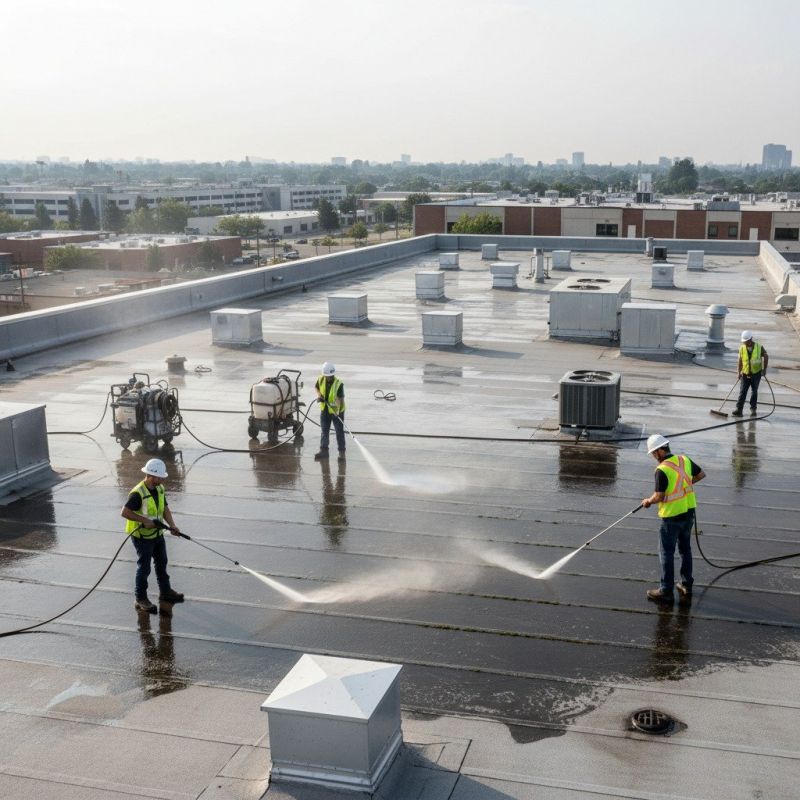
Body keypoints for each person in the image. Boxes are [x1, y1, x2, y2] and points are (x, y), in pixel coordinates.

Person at [641, 434, 706, 602]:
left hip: (671, 517)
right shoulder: (684, 460)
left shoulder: (662, 470)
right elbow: (700, 475)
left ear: (660, 451)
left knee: (666, 553)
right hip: (689, 512)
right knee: (685, 550)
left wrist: (648, 501)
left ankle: (665, 591)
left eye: (654, 453)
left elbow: (660, 496)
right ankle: (686, 584)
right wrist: (684, 487)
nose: (654, 457)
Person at [120, 458, 184, 614]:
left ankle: (165, 592)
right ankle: (140, 598)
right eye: (159, 477)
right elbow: (124, 512)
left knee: (162, 563)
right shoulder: (138, 493)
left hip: (157, 534)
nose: (161, 480)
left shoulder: (160, 488)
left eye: (162, 477)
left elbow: (164, 508)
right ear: (150, 475)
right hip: (142, 536)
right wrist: (145, 521)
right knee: (144, 568)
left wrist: (172, 526)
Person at [314, 361, 346, 461]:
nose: (328, 378)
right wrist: (319, 396)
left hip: (337, 411)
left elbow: (339, 399)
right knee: (324, 431)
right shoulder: (320, 379)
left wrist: (337, 411)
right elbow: (316, 387)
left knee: (339, 432)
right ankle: (324, 451)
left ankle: (342, 453)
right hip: (325, 410)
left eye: (330, 376)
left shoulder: (338, 384)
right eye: (327, 376)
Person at [733, 330, 768, 417]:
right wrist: (738, 371)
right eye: (744, 341)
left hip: (756, 374)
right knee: (742, 392)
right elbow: (740, 360)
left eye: (747, 341)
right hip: (745, 373)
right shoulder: (742, 348)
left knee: (754, 392)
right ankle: (739, 410)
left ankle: (753, 410)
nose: (745, 343)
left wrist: (764, 369)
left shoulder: (759, 347)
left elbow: (766, 356)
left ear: (751, 339)